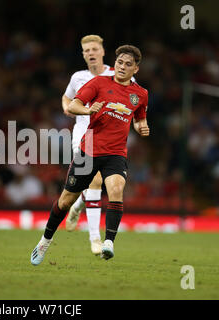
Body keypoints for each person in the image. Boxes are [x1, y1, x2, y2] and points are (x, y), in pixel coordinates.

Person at [31, 45, 150, 265]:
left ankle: (108, 243)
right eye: (119, 62)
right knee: (65, 201)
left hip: (116, 154)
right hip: (90, 150)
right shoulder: (99, 83)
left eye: (128, 64)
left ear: (136, 69)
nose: (122, 67)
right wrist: (88, 110)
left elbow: (139, 120)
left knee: (116, 189)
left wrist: (142, 127)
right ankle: (44, 241)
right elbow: (74, 105)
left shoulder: (141, 94)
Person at [62, 35, 113, 256]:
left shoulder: (116, 74)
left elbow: (136, 97)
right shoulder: (78, 77)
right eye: (86, 50)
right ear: (83, 55)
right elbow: (66, 97)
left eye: (94, 49)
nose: (91, 53)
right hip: (84, 134)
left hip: (111, 136)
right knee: (95, 179)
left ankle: (77, 206)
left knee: (97, 184)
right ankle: (95, 239)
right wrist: (67, 107)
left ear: (102, 51)